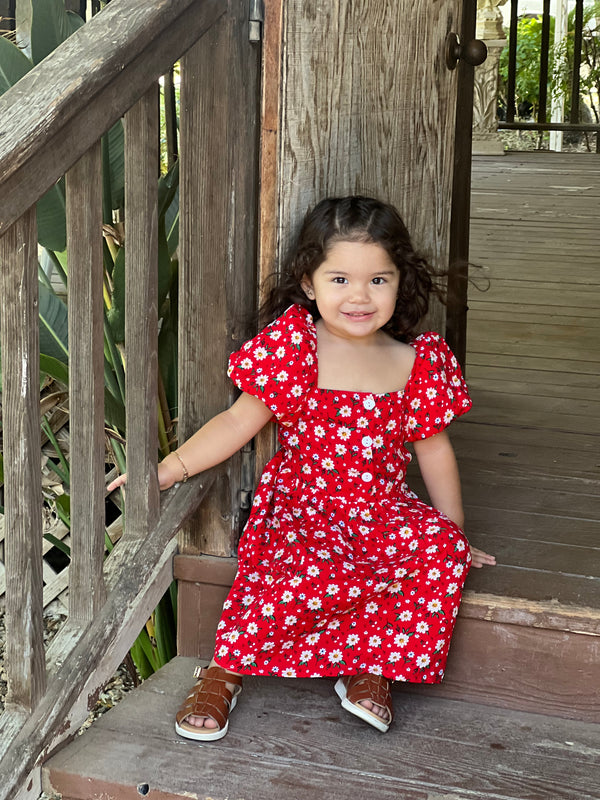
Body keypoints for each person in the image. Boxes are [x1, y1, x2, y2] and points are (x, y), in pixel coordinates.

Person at [108, 195, 495, 741]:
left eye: (377, 281)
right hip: (304, 506)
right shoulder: (297, 347)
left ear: (399, 283)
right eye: (339, 279)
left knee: (438, 552)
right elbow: (238, 422)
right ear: (309, 284)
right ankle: (225, 668)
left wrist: (453, 531)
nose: (359, 296)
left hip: (381, 509)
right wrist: (168, 469)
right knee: (283, 570)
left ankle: (371, 668)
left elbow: (434, 451)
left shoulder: (416, 362)